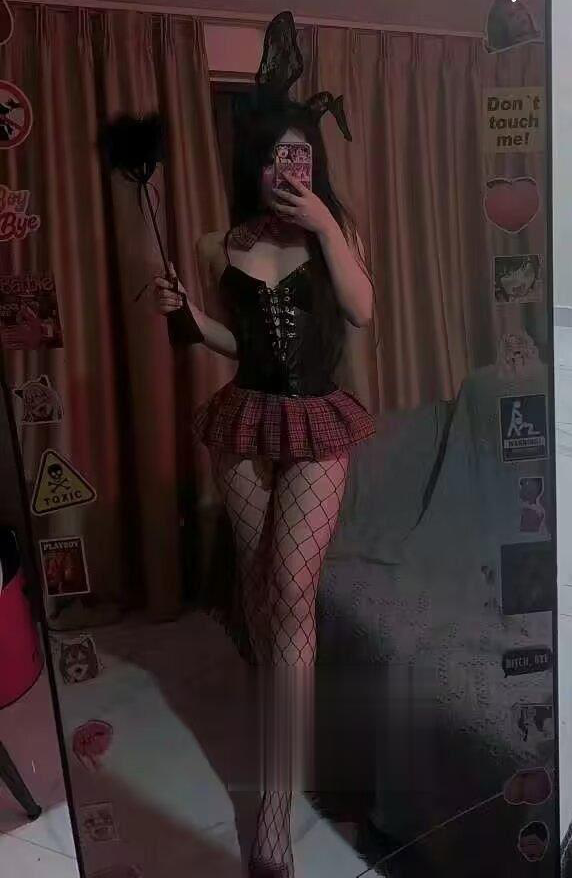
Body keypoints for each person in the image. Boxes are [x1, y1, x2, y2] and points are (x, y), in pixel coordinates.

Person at [153, 13, 374, 876]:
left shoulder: (336, 231)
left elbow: (361, 311)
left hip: (317, 419)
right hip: (245, 416)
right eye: (279, 156)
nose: (292, 168)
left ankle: (278, 802)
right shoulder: (222, 242)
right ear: (256, 165)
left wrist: (325, 223)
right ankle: (276, 711)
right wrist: (186, 317)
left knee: (291, 588)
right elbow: (233, 343)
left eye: (303, 155)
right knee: (258, 587)